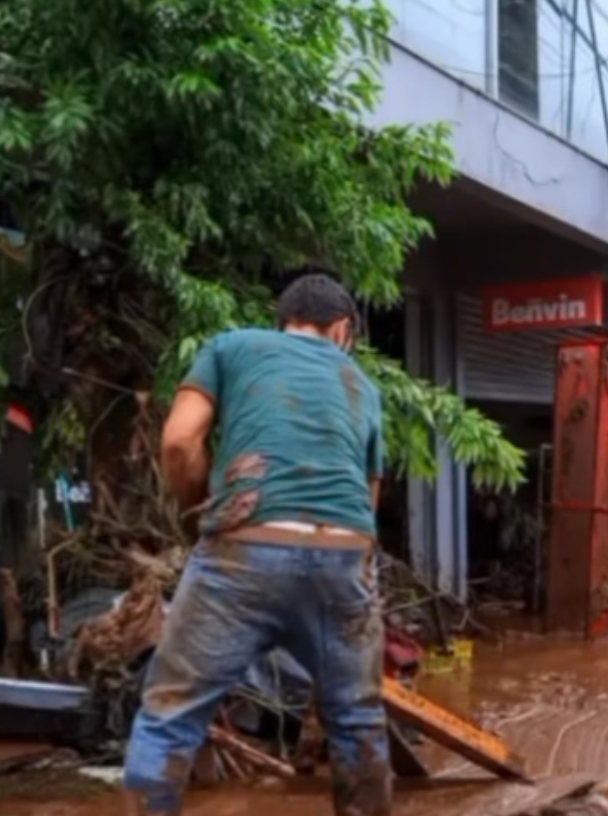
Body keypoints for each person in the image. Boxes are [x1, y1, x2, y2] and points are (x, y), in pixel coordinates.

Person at [122, 274, 390, 816]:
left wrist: (200, 504)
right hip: (344, 555)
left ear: (284, 321)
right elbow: (368, 503)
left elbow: (178, 440)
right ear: (342, 330)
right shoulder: (364, 385)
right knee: (357, 719)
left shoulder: (231, 347)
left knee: (169, 716)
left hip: (244, 549)